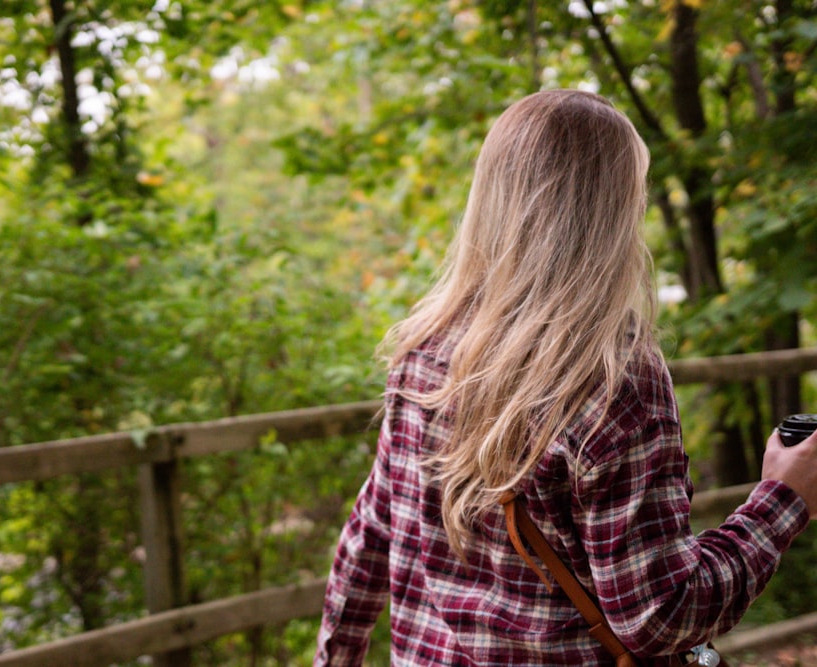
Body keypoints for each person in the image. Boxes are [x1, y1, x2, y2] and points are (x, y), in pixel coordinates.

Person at [314, 89, 817, 666]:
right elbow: (662, 616)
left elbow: (370, 536)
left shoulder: (427, 348)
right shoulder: (611, 380)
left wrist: (336, 656)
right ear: (613, 211)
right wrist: (784, 500)